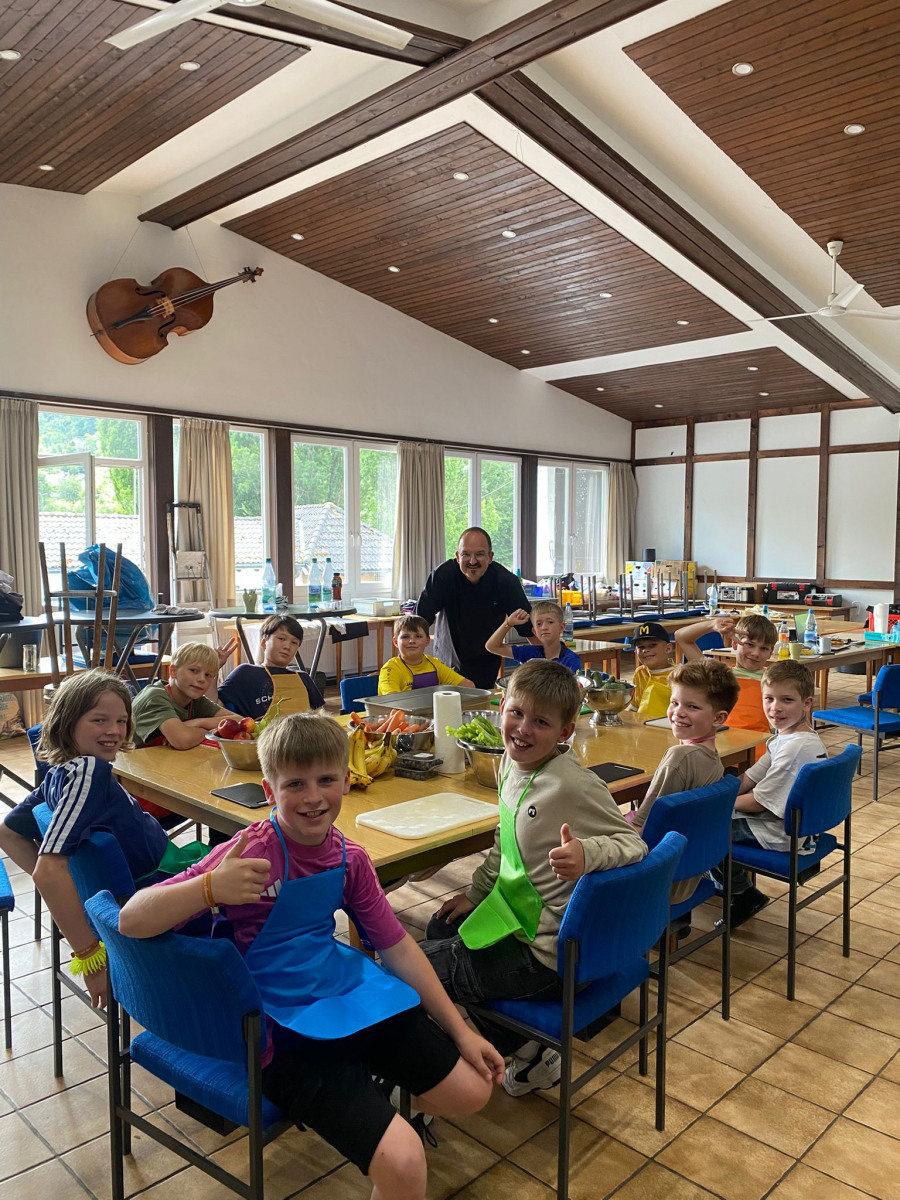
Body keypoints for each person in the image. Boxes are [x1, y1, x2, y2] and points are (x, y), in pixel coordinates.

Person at [118, 714, 502, 1200]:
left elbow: (398, 946)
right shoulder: (250, 853)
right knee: (404, 1162)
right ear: (269, 790)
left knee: (473, 1090)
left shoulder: (350, 859)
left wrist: (462, 1032)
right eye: (295, 784)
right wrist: (210, 887)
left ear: (347, 780)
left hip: (343, 998)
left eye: (325, 780)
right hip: (277, 1029)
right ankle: (374, 1114)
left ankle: (372, 1091)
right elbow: (130, 920)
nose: (313, 797)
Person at [419, 659, 646, 1096]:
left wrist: (587, 854)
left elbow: (634, 844)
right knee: (441, 926)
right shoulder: (511, 762)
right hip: (516, 918)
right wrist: (476, 892)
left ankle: (436, 1083)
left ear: (565, 732)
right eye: (517, 713)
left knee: (414, 976)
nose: (523, 729)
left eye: (541, 722)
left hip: (546, 953)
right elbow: (505, 837)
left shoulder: (573, 785)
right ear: (501, 708)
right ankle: (529, 1051)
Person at [0, 671, 206, 1009]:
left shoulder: (61, 773)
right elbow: (48, 872)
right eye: (99, 720)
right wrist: (89, 956)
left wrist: (79, 889)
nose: (114, 730)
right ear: (68, 722)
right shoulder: (88, 773)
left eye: (121, 721)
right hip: (163, 887)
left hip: (161, 876)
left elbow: (6, 832)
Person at [717, 660, 828, 928]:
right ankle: (730, 884)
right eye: (769, 698)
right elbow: (749, 778)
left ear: (807, 703)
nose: (775, 708)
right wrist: (719, 794)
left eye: (786, 700)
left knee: (699, 829)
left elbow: (757, 803)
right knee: (721, 790)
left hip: (781, 833)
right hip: (793, 826)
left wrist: (713, 806)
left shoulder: (793, 749)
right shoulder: (787, 736)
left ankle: (742, 893)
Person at [628, 659, 740, 914]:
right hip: (689, 873)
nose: (678, 712)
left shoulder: (679, 758)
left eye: (692, 706)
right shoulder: (713, 758)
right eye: (674, 702)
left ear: (719, 718)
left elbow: (639, 829)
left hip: (657, 881)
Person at [416, 528, 533, 689]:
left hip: (486, 662)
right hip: (448, 662)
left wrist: (551, 660)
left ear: (490, 557)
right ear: (457, 556)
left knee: (480, 701)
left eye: (479, 554)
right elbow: (418, 622)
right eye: (466, 554)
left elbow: (530, 628)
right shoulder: (443, 576)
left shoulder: (505, 581)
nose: (472, 561)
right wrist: (407, 665)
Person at [675, 613, 777, 758]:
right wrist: (712, 624)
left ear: (771, 653)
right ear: (734, 643)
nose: (755, 653)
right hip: (717, 751)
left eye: (764, 648)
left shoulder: (774, 681)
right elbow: (681, 637)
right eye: (749, 644)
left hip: (756, 755)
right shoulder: (717, 675)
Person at [132, 641, 238, 750]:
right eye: (194, 670)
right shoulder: (155, 697)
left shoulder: (195, 700)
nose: (202, 679)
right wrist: (208, 732)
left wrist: (197, 723)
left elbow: (238, 721)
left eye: (208, 675)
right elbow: (182, 740)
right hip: (130, 759)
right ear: (173, 671)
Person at [218, 614, 324, 718]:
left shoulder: (304, 678)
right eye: (281, 638)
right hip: (264, 729)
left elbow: (321, 716)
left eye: (294, 642)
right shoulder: (246, 673)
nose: (287, 646)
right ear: (264, 643)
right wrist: (214, 668)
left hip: (304, 729)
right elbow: (215, 705)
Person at [377, 614, 474, 694]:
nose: (412, 641)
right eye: (405, 637)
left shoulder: (434, 664)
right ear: (395, 642)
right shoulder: (390, 669)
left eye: (418, 636)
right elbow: (391, 700)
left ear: (427, 641)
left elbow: (468, 686)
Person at [485, 600, 582, 672]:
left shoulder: (571, 660)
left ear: (562, 627)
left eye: (550, 622)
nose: (544, 627)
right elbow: (492, 646)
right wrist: (508, 623)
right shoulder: (530, 653)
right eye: (539, 624)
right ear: (534, 631)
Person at [628, 620, 676, 718]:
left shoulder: (678, 674)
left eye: (653, 645)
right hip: (642, 724)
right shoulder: (640, 672)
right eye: (641, 647)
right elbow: (635, 707)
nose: (646, 650)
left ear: (668, 648)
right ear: (636, 652)